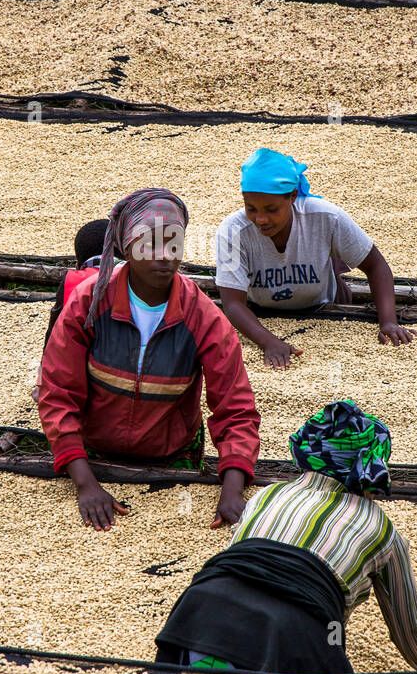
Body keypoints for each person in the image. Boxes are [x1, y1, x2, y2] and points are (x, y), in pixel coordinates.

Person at [156, 400, 417, 674]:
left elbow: (244, 569)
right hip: (290, 632)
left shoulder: (266, 496)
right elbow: (409, 627)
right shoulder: (381, 529)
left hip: (198, 612)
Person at [37, 187, 261, 532]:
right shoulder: (89, 303)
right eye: (150, 243)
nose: (165, 256)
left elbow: (235, 408)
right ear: (127, 247)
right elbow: (58, 391)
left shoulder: (202, 316)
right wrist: (84, 483)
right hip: (93, 455)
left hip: (174, 458)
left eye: (174, 243)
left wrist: (232, 489)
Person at [215, 147, 417, 370]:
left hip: (325, 310)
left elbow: (376, 265)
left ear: (292, 197)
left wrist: (388, 321)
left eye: (271, 210)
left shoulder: (325, 217)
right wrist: (269, 342)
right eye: (251, 208)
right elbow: (233, 303)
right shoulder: (233, 231)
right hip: (260, 315)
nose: (260, 219)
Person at [42, 218, 110, 352]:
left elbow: (53, 336)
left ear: (77, 265)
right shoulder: (136, 278)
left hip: (75, 361)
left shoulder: (72, 282)